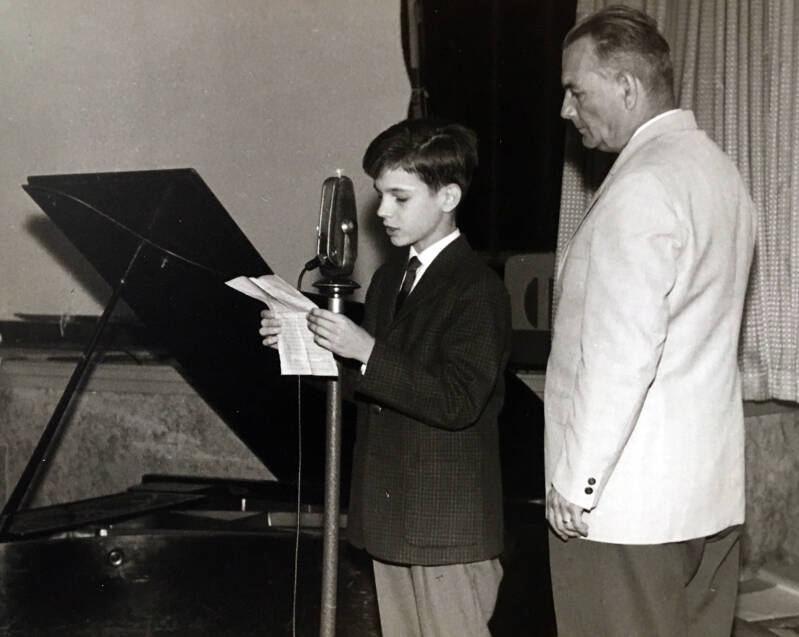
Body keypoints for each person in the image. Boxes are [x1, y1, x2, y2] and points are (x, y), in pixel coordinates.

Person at [544, 5, 757, 636]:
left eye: (576, 90)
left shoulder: (640, 186)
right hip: (706, 501)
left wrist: (577, 483)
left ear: (627, 87)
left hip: (625, 509)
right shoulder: (720, 174)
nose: (565, 108)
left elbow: (622, 354)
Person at [260, 118, 512, 637]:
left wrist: (366, 350)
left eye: (400, 197)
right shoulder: (389, 278)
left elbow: (458, 401)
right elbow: (371, 386)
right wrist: (307, 346)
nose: (381, 212)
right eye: (381, 195)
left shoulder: (477, 288)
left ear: (448, 197)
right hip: (392, 521)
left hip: (445, 530)